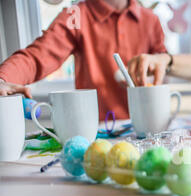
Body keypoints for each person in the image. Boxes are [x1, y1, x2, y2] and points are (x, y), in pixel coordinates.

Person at [0, 0, 166, 119]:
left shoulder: (150, 20)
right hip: (96, 130)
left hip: (145, 127)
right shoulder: (76, 15)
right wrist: (3, 78)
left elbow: (164, 66)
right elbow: (37, 57)